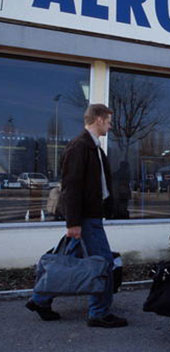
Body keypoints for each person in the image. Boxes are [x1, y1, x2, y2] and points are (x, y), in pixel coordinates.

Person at [26, 104, 128, 328]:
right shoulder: (80, 146)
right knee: (103, 264)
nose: (111, 125)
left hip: (91, 216)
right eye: (109, 120)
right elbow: (71, 187)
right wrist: (73, 223)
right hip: (85, 218)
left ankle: (39, 300)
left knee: (67, 260)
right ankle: (99, 313)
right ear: (99, 119)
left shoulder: (94, 148)